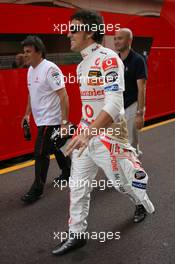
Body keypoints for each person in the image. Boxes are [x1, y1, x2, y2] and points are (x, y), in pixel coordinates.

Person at [52, 10, 155, 256]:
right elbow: (90, 106)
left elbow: (114, 105)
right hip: (87, 134)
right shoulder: (80, 66)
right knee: (77, 186)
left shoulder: (108, 59)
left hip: (111, 135)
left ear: (89, 31)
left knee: (121, 184)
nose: (68, 34)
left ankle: (142, 202)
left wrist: (89, 134)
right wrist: (77, 130)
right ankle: (77, 234)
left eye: (73, 29)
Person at [21, 35, 71, 204]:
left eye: (29, 51)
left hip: (52, 119)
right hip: (40, 119)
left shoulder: (50, 69)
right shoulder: (30, 70)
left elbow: (63, 95)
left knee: (41, 153)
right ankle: (68, 172)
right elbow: (31, 94)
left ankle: (37, 189)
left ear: (39, 52)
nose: (25, 55)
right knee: (56, 147)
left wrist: (64, 123)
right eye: (24, 52)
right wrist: (26, 114)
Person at [114, 28, 147, 156]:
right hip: (117, 106)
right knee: (118, 141)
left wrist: (140, 113)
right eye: (115, 38)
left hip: (132, 106)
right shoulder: (115, 61)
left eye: (120, 38)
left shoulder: (138, 60)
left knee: (130, 143)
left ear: (130, 40)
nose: (116, 41)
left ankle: (133, 172)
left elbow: (142, 89)